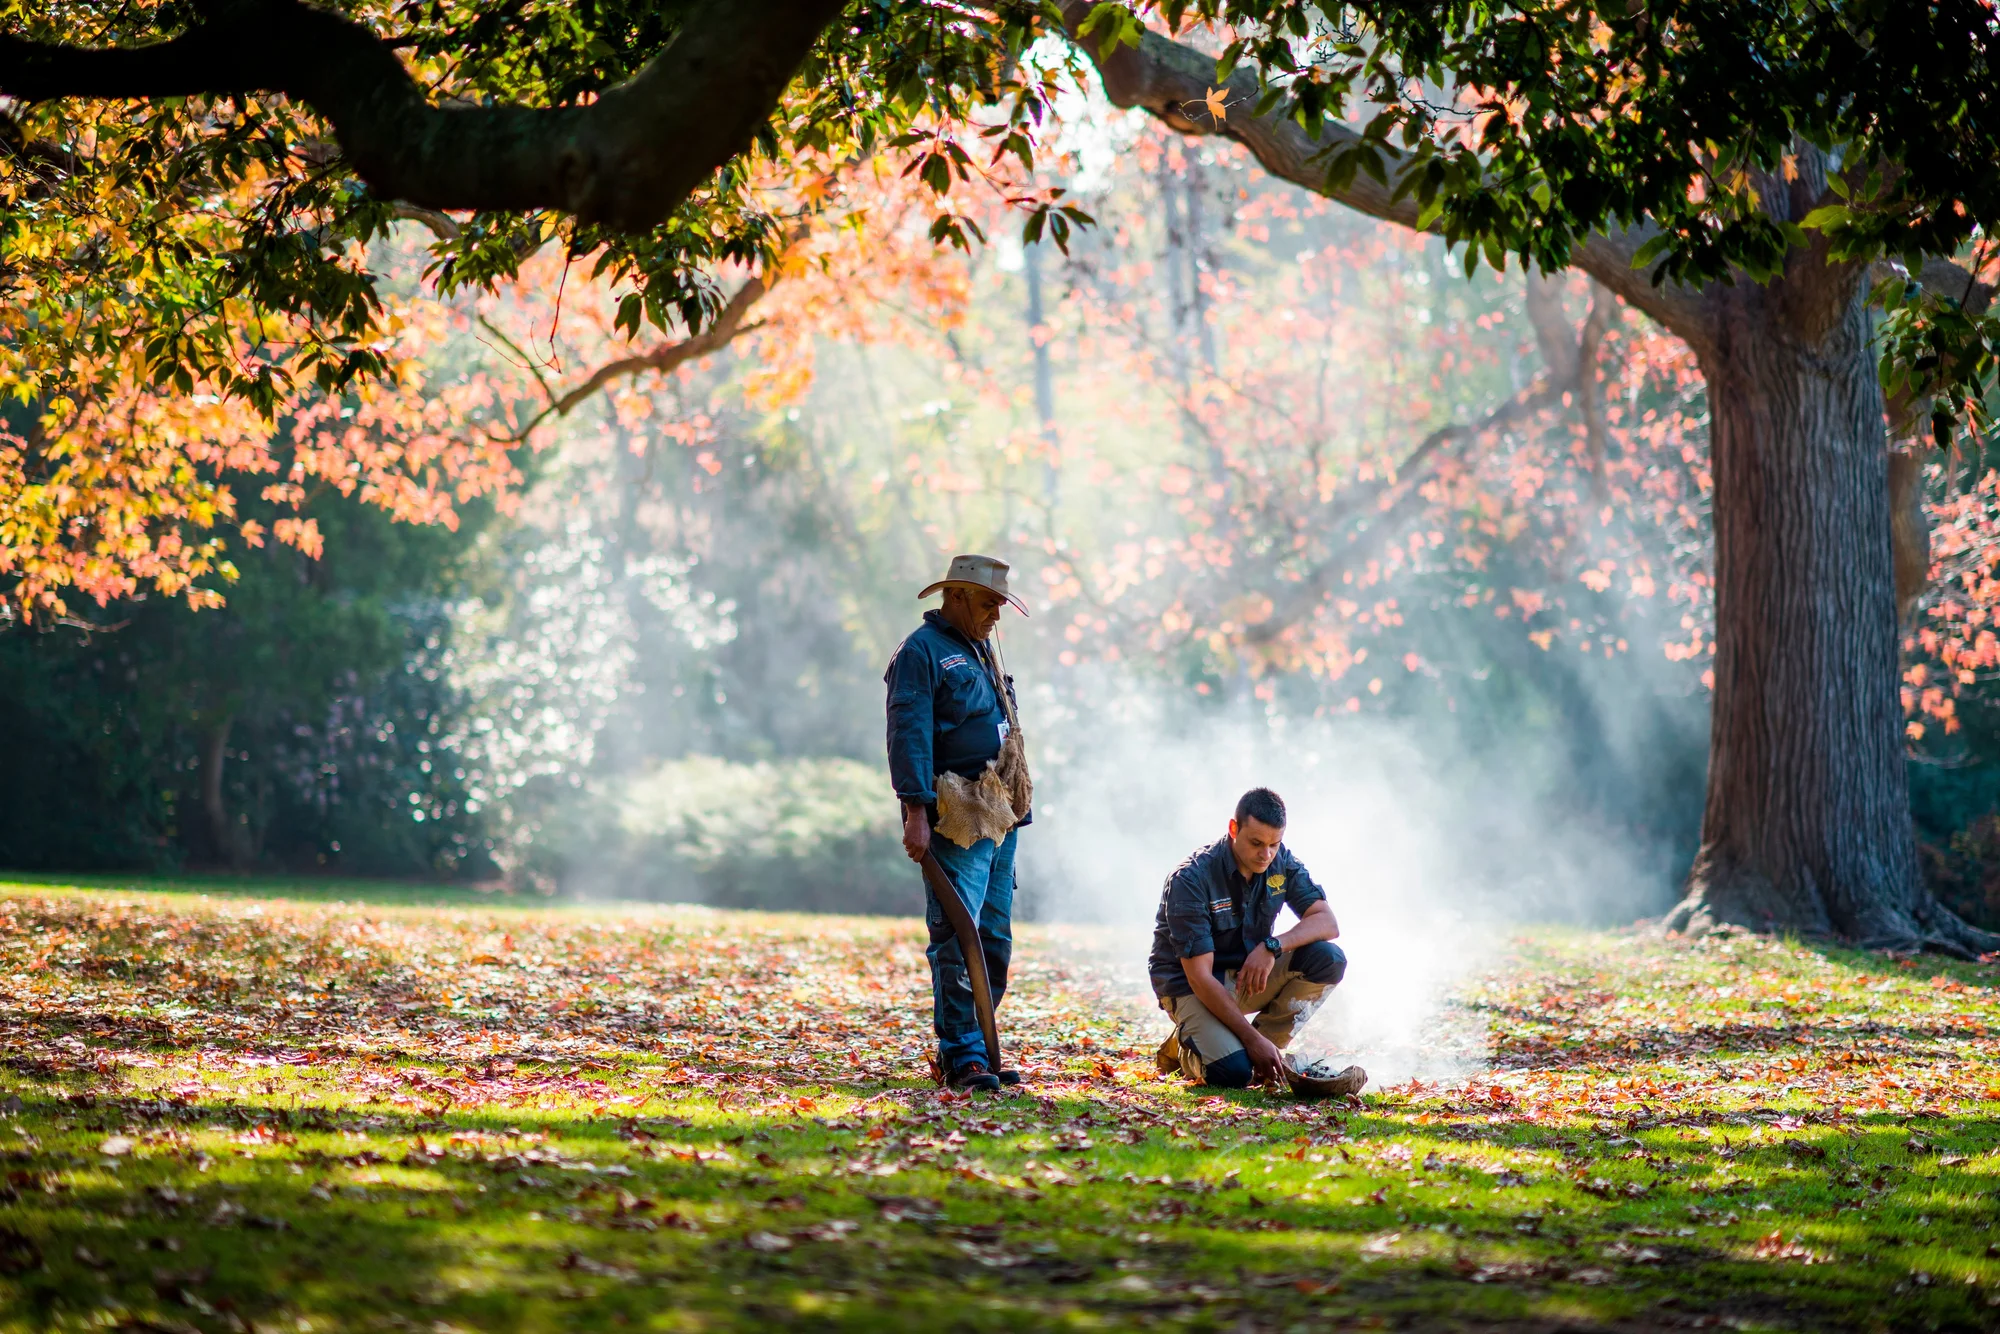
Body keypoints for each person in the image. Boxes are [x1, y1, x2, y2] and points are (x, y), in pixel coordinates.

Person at [885, 553, 1033, 1093]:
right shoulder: (919, 653)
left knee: (993, 939)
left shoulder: (980, 647)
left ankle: (980, 1048)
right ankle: (963, 1056)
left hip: (998, 814)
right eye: (990, 603)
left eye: (1000, 604)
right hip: (955, 816)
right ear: (958, 596)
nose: (997, 614)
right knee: (958, 937)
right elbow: (909, 734)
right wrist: (915, 812)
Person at [1147, 788, 1366, 1094]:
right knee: (1232, 1074)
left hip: (1246, 976)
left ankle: (1260, 1049)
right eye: (1256, 843)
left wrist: (1272, 946)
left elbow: (1327, 922)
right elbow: (1198, 977)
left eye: (1274, 844)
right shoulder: (1191, 878)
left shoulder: (1281, 860)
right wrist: (1250, 1041)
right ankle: (1184, 1047)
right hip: (1191, 987)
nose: (1266, 855)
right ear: (1233, 828)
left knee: (1328, 958)